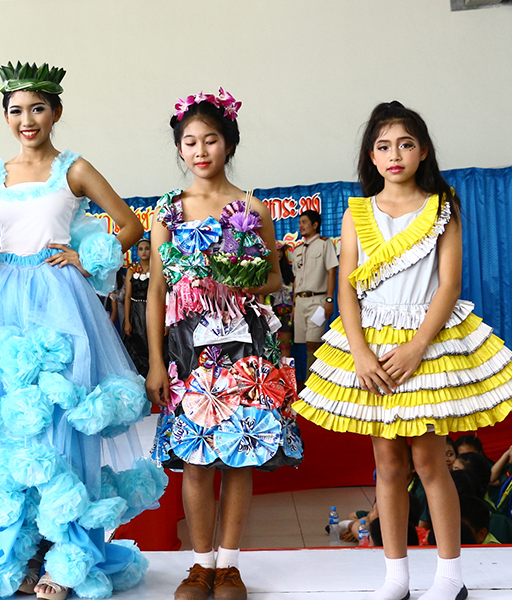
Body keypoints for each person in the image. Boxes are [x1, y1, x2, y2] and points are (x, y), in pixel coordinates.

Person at [0, 62, 160, 600]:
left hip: (61, 300)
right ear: (5, 116)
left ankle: (70, 555)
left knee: (64, 418)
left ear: (56, 112)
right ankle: (25, 553)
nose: (26, 120)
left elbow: (130, 224)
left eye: (37, 109)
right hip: (6, 301)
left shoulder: (74, 168)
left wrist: (84, 255)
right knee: (16, 424)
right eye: (16, 111)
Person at [293, 101, 512, 600]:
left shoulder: (443, 206)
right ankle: (396, 577)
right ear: (371, 156)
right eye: (383, 146)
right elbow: (346, 291)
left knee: (429, 461)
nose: (395, 154)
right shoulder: (356, 213)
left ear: (423, 150)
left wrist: (416, 347)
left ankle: (450, 577)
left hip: (425, 343)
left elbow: (450, 285)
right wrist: (361, 353)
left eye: (405, 144)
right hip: (371, 345)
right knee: (387, 464)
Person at [146, 88, 302, 600]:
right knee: (194, 459)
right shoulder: (167, 212)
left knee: (240, 453)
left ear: (228, 143)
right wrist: (154, 362)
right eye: (190, 141)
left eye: (210, 139)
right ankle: (199, 565)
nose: (200, 150)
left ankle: (229, 566)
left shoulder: (252, 207)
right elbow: (156, 290)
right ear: (179, 148)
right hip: (188, 349)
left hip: (246, 347)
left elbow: (275, 279)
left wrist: (240, 279)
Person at [291, 209, 338, 364]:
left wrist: (329, 300)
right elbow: (296, 279)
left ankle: (312, 378)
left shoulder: (324, 244)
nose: (301, 226)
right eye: (299, 223)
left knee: (313, 342)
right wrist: (294, 305)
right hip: (300, 302)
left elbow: (332, 271)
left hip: (317, 301)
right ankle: (310, 376)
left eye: (304, 222)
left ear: (315, 225)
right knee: (304, 343)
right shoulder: (298, 249)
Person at [123, 239, 154, 376]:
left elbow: (163, 293)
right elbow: (127, 296)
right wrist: (127, 321)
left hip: (152, 311)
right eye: (141, 249)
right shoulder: (132, 269)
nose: (144, 251)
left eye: (147, 248)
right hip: (135, 312)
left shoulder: (156, 268)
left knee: (152, 344)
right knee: (136, 347)